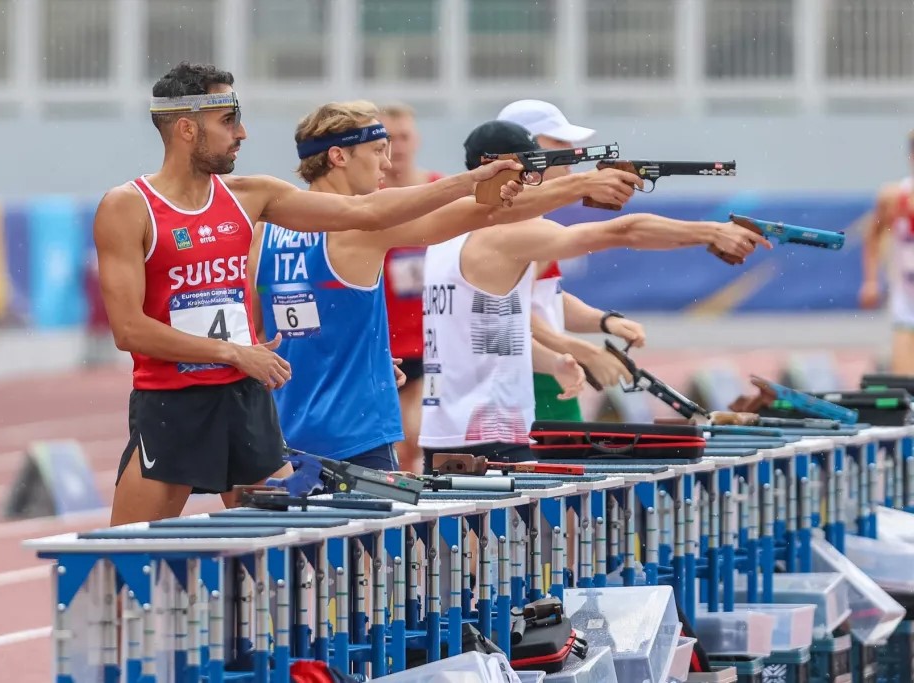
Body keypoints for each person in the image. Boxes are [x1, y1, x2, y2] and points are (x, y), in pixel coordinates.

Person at [95, 62, 529, 526]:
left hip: (244, 402)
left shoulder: (252, 196)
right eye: (228, 122)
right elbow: (129, 329)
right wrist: (234, 353)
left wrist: (469, 183)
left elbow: (365, 212)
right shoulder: (128, 207)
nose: (242, 133)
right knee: (131, 554)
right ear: (186, 128)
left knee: (287, 548)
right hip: (173, 404)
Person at [249, 100, 646, 472]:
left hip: (288, 431)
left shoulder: (265, 233)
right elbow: (486, 214)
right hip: (356, 436)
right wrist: (580, 186)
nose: (388, 163)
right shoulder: (359, 228)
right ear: (338, 156)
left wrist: (357, 360)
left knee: (300, 543)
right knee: (371, 545)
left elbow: (263, 336)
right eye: (378, 151)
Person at [419, 120, 774, 470]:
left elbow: (488, 331)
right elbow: (623, 232)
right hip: (490, 434)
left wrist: (556, 360)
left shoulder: (444, 237)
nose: (535, 183)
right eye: (529, 173)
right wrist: (711, 231)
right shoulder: (501, 237)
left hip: (445, 432)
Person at [497, 99, 647, 421]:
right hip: (521, 381)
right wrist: (583, 352)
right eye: (560, 143)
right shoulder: (508, 225)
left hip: (549, 375)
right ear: (527, 149)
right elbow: (506, 311)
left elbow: (543, 298)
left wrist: (604, 322)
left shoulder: (535, 220)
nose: (572, 154)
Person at [377, 103, 443, 473]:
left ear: (415, 140)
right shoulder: (367, 200)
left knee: (420, 439)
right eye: (388, 139)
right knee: (398, 445)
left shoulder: (438, 189)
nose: (397, 147)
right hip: (386, 341)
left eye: (403, 137)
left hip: (432, 341)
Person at [859, 131, 914, 374]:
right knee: (907, 385)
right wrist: (871, 280)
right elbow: (872, 236)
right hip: (907, 303)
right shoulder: (893, 197)